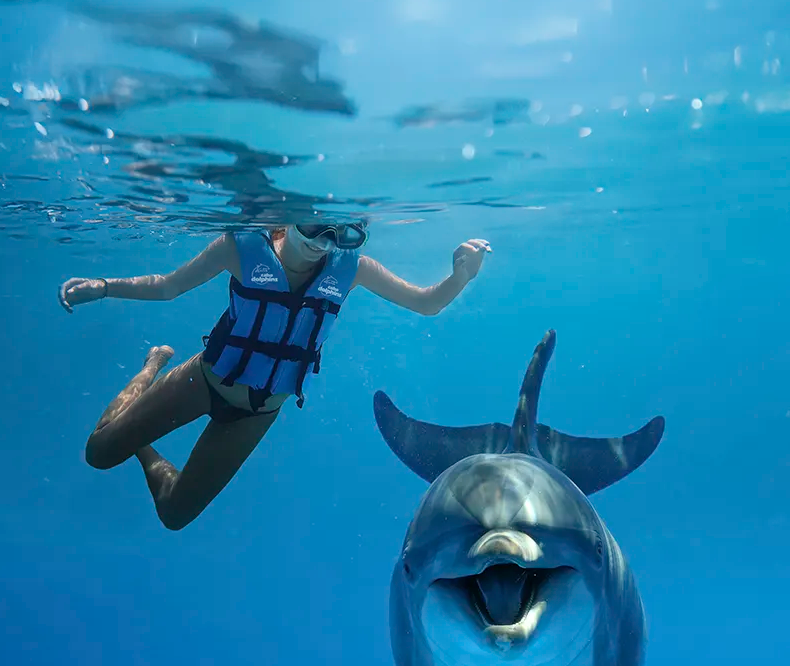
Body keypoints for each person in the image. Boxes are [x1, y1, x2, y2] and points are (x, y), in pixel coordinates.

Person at [59, 221, 491, 530]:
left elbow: (426, 304)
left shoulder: (352, 269)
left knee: (174, 515)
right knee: (99, 451)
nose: (325, 243)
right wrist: (104, 286)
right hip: (203, 382)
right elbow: (168, 286)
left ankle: (142, 442)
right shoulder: (239, 247)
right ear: (289, 219)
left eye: (343, 234)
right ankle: (151, 368)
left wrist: (461, 277)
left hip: (257, 414)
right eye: (315, 227)